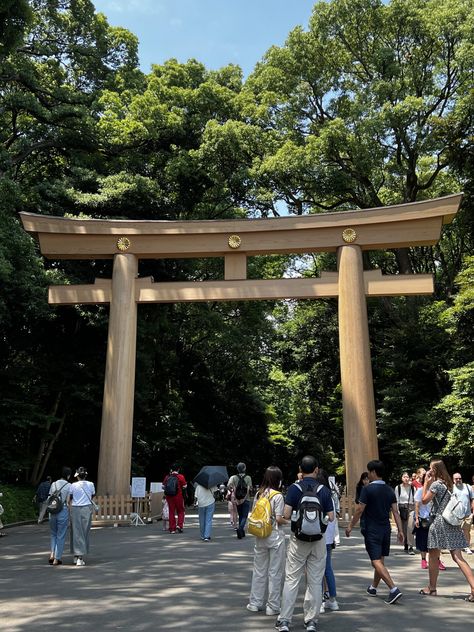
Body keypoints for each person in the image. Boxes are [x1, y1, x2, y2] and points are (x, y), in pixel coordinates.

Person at [275, 455, 334, 632]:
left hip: (298, 539)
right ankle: (311, 621)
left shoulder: (294, 488)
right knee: (315, 581)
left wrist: (296, 519)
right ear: (316, 469)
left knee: (292, 579)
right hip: (318, 540)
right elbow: (331, 517)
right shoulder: (324, 490)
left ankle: (285, 620)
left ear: (300, 469)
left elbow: (286, 515)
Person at [345, 459, 404, 605]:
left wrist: (350, 526)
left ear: (373, 472)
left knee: (375, 561)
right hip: (386, 529)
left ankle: (393, 589)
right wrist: (400, 530)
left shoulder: (368, 489)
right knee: (380, 560)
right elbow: (395, 512)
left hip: (372, 529)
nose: (368, 476)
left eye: (369, 473)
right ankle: (373, 587)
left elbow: (360, 509)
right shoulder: (389, 489)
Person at [420, 459, 474, 600]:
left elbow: (424, 501)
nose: (429, 470)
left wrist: (426, 482)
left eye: (431, 468)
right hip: (452, 522)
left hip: (439, 522)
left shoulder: (436, 485)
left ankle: (432, 589)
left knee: (433, 556)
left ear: (435, 469)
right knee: (458, 557)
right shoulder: (448, 484)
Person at [246, 466, 287, 616]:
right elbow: (278, 518)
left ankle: (255, 602)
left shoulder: (259, 494)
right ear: (278, 479)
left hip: (260, 535)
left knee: (259, 570)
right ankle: (273, 606)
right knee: (275, 572)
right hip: (275, 536)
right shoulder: (278, 496)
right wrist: (287, 521)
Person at [413, 471, 446, 571]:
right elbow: (417, 505)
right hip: (424, 519)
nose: (431, 479)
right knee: (423, 540)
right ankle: (423, 559)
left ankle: (437, 560)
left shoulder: (436, 489)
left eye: (433, 477)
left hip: (435, 519)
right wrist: (417, 518)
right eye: (429, 477)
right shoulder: (420, 490)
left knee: (436, 542)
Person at [317, 470, 339, 614]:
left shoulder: (317, 493)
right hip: (329, 536)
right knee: (328, 569)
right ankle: (333, 600)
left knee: (316, 570)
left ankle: (320, 602)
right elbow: (333, 518)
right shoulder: (330, 495)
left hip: (318, 535)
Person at [69, 466, 95, 566]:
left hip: (75, 508)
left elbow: (71, 497)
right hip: (86, 508)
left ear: (77, 475)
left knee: (76, 532)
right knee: (84, 532)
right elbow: (93, 495)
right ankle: (80, 557)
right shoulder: (91, 484)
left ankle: (76, 556)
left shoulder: (73, 485)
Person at [48, 467, 72, 566]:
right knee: (60, 535)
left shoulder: (53, 484)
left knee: (53, 533)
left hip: (52, 511)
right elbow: (68, 501)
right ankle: (57, 558)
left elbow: (49, 497)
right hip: (63, 510)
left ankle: (52, 553)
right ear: (68, 475)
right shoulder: (69, 485)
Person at [227, 462, 252, 539]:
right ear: (244, 468)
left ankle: (241, 532)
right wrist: (244, 499)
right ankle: (240, 529)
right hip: (246, 499)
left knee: (240, 515)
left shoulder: (233, 477)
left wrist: (234, 493)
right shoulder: (248, 478)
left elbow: (228, 486)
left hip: (237, 499)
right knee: (244, 516)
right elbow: (248, 489)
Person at [452, 472, 474, 554]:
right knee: (455, 530)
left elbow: (473, 499)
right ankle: (456, 546)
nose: (458, 480)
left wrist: (473, 512)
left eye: (459, 478)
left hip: (467, 514)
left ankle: (467, 546)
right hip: (455, 514)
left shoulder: (467, 487)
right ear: (453, 480)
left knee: (466, 531)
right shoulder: (452, 488)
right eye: (456, 478)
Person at [395, 471, 416, 554]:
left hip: (411, 508)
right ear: (401, 478)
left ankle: (411, 546)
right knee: (403, 528)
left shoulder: (412, 488)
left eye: (407, 477)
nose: (406, 478)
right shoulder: (398, 488)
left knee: (410, 526)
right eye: (404, 477)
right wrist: (397, 511)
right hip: (401, 508)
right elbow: (396, 500)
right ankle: (405, 544)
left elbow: (415, 500)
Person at [163, 465, 187, 534]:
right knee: (180, 511)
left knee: (171, 512)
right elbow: (185, 486)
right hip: (178, 496)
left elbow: (163, 486)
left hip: (169, 497)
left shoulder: (167, 477)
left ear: (171, 469)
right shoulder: (181, 476)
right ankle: (179, 525)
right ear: (178, 469)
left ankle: (172, 529)